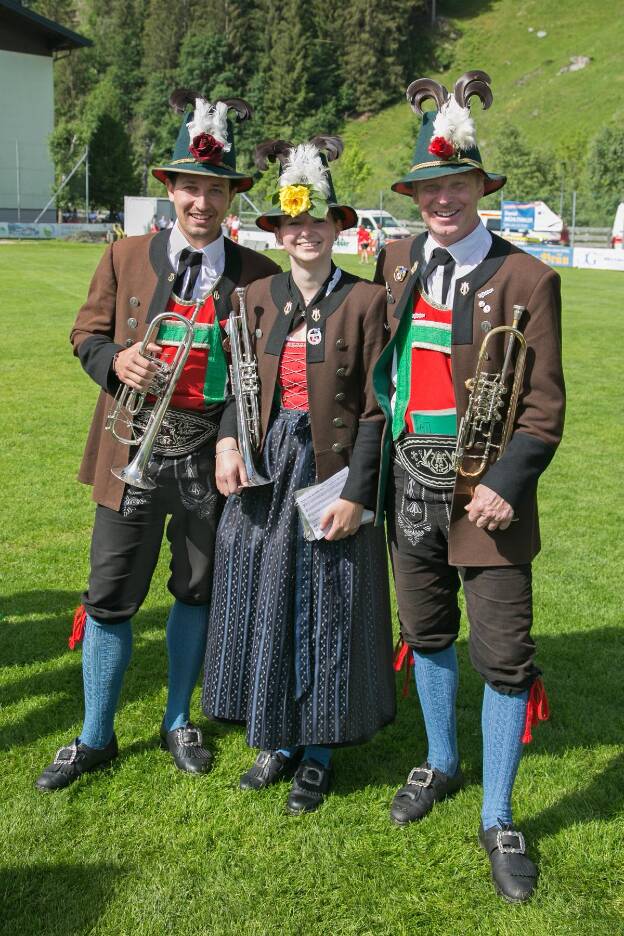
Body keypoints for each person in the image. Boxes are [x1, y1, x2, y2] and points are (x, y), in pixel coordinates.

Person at [35, 89, 280, 792]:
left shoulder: (255, 275)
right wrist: (114, 360)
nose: (201, 202)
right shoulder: (123, 256)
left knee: (195, 590)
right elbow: (85, 334)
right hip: (132, 447)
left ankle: (178, 719)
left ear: (231, 196)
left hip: (209, 454)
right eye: (190, 187)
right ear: (169, 188)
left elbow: (252, 379)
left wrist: (234, 439)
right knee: (110, 596)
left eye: (215, 190)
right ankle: (94, 735)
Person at [372, 72, 565, 901]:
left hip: (486, 494)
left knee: (505, 656)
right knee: (427, 628)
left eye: (454, 184)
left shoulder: (528, 279)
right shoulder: (396, 260)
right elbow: (380, 380)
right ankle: (441, 762)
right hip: (409, 481)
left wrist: (510, 484)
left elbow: (546, 406)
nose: (441, 198)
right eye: (428, 187)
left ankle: (498, 812)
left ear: (480, 188)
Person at [202, 135, 396, 814]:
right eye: (293, 224)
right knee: (268, 596)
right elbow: (232, 384)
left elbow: (378, 411)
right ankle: (277, 738)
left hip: (329, 470)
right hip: (265, 466)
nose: (305, 233)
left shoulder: (368, 303)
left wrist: (355, 491)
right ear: (278, 231)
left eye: (318, 222)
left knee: (328, 605)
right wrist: (228, 445)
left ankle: (317, 752)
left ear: (338, 227)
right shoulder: (256, 295)